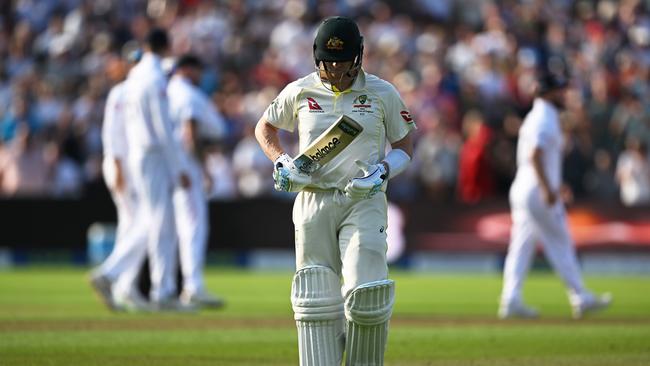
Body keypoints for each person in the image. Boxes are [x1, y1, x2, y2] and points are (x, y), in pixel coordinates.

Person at [255, 16, 415, 366]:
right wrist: (281, 161)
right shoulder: (300, 90)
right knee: (315, 300)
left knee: (366, 294)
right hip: (313, 199)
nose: (337, 69)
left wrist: (383, 171)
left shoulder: (382, 92)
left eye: (344, 62)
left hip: (364, 200)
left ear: (359, 57)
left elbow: (405, 146)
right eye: (330, 61)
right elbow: (264, 128)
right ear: (318, 57)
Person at [499, 72, 612, 319]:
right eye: (559, 90)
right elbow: (536, 155)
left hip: (524, 187)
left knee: (522, 245)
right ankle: (580, 296)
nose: (563, 94)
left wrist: (553, 184)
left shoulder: (537, 115)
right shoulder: (544, 117)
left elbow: (540, 157)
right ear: (548, 92)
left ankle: (511, 299)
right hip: (535, 189)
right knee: (560, 241)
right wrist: (548, 188)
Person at [118, 28, 191, 311]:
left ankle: (160, 288)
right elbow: (163, 128)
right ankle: (118, 275)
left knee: (155, 221)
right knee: (159, 222)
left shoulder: (134, 75)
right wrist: (179, 167)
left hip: (138, 152)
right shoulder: (155, 76)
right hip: (154, 155)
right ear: (166, 46)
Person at [89, 48, 148, 311]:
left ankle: (125, 287)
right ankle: (111, 274)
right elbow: (111, 133)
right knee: (146, 226)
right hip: (122, 164)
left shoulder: (136, 90)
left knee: (130, 227)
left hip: (129, 166)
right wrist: (117, 165)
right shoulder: (122, 91)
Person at [167, 54, 226, 308]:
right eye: (198, 70)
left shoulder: (168, 91)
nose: (200, 76)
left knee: (172, 229)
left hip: (168, 166)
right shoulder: (186, 93)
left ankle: (169, 286)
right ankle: (192, 286)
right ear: (187, 70)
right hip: (186, 165)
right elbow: (190, 133)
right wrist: (204, 170)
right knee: (193, 226)